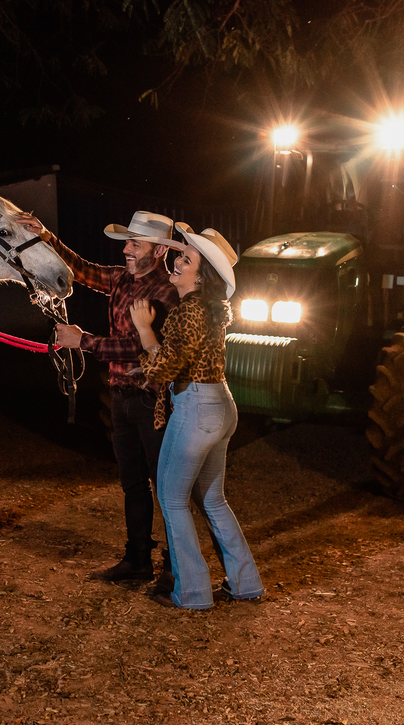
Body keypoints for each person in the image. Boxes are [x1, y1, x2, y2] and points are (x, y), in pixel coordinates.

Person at [20, 211, 179, 582]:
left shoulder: (166, 292)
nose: (126, 249)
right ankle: (138, 560)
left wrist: (83, 341)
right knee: (133, 483)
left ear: (157, 252)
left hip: (152, 400)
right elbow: (81, 269)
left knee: (165, 487)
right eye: (127, 242)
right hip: (122, 396)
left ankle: (175, 568)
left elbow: (141, 347)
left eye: (134, 244)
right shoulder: (123, 278)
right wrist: (45, 236)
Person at [130, 226, 264, 609]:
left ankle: (191, 592)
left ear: (201, 277)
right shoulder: (208, 311)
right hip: (220, 405)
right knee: (212, 500)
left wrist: (144, 331)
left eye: (186, 260)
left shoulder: (189, 312)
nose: (177, 261)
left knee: (172, 500)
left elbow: (167, 367)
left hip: (197, 409)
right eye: (180, 255)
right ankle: (244, 583)